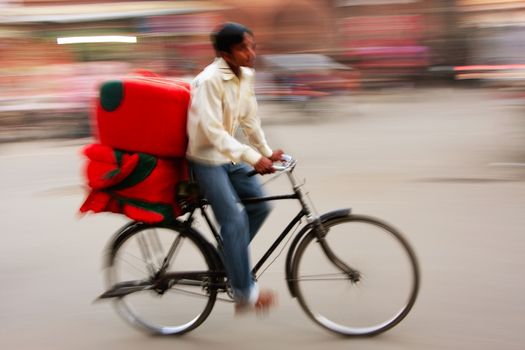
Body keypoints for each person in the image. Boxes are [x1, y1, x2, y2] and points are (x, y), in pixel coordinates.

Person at [186, 22, 283, 313]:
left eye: (252, 46)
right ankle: (244, 294)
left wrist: (267, 152)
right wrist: (253, 158)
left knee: (260, 206)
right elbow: (213, 133)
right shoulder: (209, 81)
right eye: (243, 48)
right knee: (234, 220)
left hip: (229, 157)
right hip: (206, 159)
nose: (251, 53)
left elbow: (249, 120)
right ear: (226, 53)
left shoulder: (246, 77)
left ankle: (227, 258)